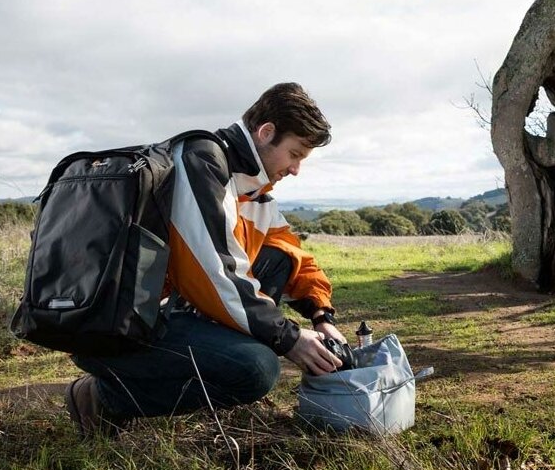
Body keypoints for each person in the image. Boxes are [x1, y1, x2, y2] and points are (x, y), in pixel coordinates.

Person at [65, 82, 346, 438]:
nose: (296, 169)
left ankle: (213, 360)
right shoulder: (201, 163)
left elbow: (295, 256)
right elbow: (215, 274)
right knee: (257, 368)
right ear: (266, 133)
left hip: (159, 312)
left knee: (280, 260)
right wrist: (288, 338)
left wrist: (322, 316)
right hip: (110, 325)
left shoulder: (253, 191)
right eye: (295, 154)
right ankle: (103, 398)